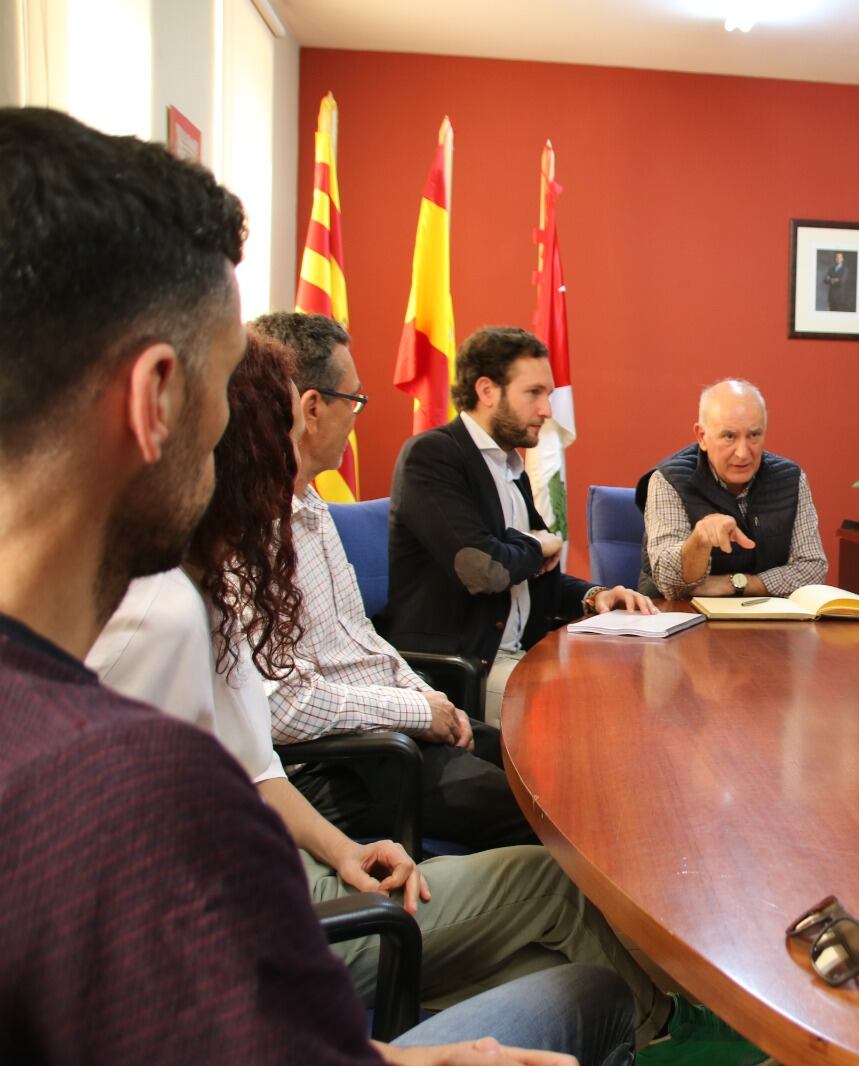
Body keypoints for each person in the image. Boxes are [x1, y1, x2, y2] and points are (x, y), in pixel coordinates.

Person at [0, 104, 622, 1065]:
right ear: (155, 399)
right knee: (590, 996)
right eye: (224, 392)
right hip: (334, 847)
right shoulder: (131, 780)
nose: (243, 439)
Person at [87, 333, 678, 1059]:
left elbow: (266, 755)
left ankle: (651, 1017)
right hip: (278, 913)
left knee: (580, 964)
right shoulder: (158, 615)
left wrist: (343, 849)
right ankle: (674, 1031)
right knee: (559, 867)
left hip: (307, 862)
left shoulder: (220, 580)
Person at [249, 310, 534, 851]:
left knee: (546, 765)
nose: (358, 416)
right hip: (344, 764)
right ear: (311, 409)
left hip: (392, 730)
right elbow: (281, 706)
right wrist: (416, 711)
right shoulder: (253, 530)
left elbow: (363, 641)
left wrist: (430, 700)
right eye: (353, 401)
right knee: (545, 813)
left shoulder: (311, 504)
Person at [386, 326, 653, 725]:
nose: (547, 410)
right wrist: (534, 546)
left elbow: (531, 574)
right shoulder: (434, 456)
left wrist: (595, 595)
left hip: (520, 656)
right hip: (463, 671)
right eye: (534, 393)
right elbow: (484, 569)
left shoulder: (511, 469)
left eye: (548, 394)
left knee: (632, 682)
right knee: (597, 710)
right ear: (487, 391)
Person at [640, 378, 828, 599]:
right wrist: (699, 541)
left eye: (754, 435)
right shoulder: (668, 480)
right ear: (702, 437)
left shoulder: (791, 479)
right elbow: (669, 583)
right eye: (729, 436)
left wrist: (738, 584)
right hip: (681, 620)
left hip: (766, 621)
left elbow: (814, 569)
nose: (743, 453)